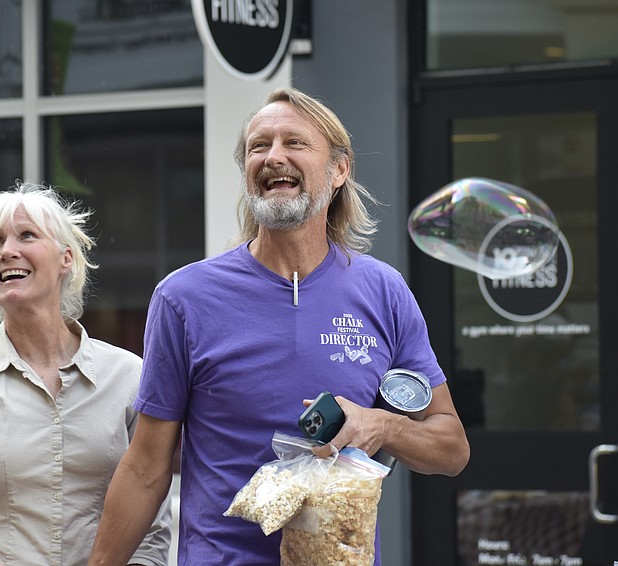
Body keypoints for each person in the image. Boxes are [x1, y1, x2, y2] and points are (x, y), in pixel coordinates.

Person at [88, 87, 470, 566]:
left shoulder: (384, 291)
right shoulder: (184, 298)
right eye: (258, 146)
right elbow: (145, 467)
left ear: (339, 170)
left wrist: (380, 425)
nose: (273, 157)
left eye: (295, 143)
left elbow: (450, 447)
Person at [0, 182, 171, 566]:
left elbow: (152, 537)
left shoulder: (129, 377)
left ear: (66, 258)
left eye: (27, 235)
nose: (7, 252)